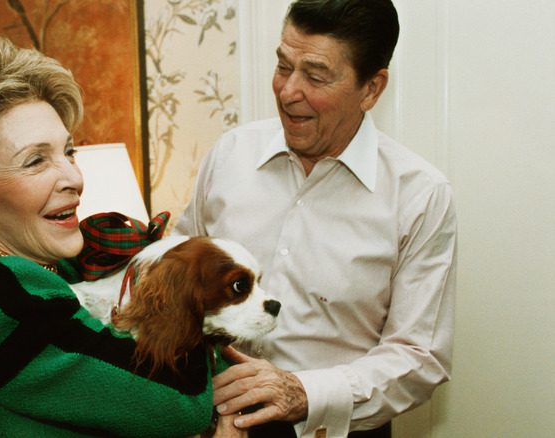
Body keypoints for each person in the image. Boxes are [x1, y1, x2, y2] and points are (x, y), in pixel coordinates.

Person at [0, 37, 219, 437]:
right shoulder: (4, 297)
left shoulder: (38, 271)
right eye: (35, 160)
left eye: (69, 152)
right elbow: (181, 400)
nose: (74, 178)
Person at [174, 1, 457, 437]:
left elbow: (419, 357)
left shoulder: (420, 195)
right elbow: (175, 282)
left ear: (371, 89)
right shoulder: (230, 155)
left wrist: (303, 393)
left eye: (315, 75)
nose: (288, 91)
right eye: (283, 66)